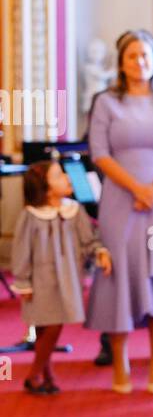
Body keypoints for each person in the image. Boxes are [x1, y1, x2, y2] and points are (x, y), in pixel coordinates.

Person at [85, 29, 153, 393]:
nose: (139, 62)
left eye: (145, 55)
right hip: (120, 201)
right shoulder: (106, 102)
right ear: (122, 62)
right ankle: (120, 364)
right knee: (119, 276)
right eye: (132, 56)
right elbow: (99, 153)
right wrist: (137, 189)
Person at [11, 159, 112, 394]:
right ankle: (35, 373)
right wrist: (23, 281)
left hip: (67, 279)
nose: (66, 178)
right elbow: (22, 251)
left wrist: (100, 252)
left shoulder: (73, 210)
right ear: (44, 188)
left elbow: (88, 240)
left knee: (50, 326)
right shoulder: (31, 215)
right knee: (49, 325)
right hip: (41, 281)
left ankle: (46, 376)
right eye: (58, 176)